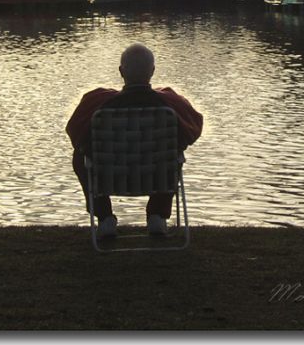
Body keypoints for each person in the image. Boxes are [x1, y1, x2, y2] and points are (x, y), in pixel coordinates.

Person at [66, 43, 203, 240]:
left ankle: (105, 218)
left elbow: (76, 134)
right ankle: (157, 215)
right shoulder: (171, 104)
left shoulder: (96, 103)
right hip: (156, 175)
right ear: (153, 71)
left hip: (111, 174)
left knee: (80, 156)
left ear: (121, 71)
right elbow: (192, 132)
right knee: (174, 153)